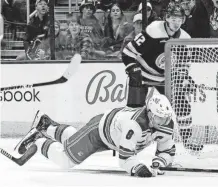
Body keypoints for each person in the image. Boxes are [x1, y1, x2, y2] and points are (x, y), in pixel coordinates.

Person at [14, 94, 175, 178]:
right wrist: (137, 168)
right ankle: (38, 139)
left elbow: (167, 151)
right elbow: (125, 159)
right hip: (98, 132)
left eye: (166, 117)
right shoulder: (135, 125)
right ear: (150, 114)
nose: (164, 121)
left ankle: (46, 125)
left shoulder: (167, 123)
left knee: (74, 139)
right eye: (160, 117)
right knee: (66, 160)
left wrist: (157, 164)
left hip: (114, 136)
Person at [121, 2, 203, 151]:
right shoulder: (154, 30)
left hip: (163, 78)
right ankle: (128, 141)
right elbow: (127, 52)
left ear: (183, 20)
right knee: (134, 111)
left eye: (179, 19)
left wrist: (183, 77)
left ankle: (188, 140)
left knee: (182, 104)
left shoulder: (185, 38)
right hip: (143, 75)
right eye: (173, 19)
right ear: (166, 18)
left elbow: (183, 64)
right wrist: (133, 70)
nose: (176, 22)